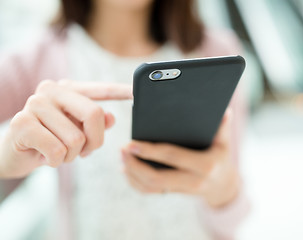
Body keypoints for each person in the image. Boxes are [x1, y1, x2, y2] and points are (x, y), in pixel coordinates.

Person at [0, 0, 248, 239]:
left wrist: (223, 188)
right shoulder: (34, 59)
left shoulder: (217, 51)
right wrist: (4, 158)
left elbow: (235, 218)